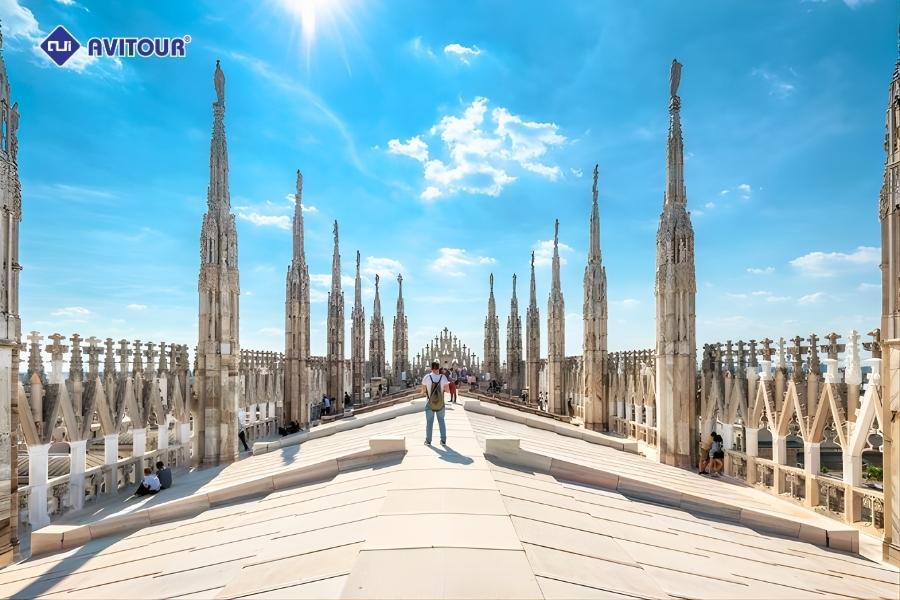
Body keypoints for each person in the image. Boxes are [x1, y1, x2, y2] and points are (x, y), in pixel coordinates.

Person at [422, 361, 449, 446]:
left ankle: (428, 441)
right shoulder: (443, 377)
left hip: (429, 403)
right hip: (440, 403)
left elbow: (423, 391)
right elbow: (448, 390)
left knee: (429, 422)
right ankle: (443, 441)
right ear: (438, 368)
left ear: (431, 368)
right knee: (441, 421)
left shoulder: (427, 377)